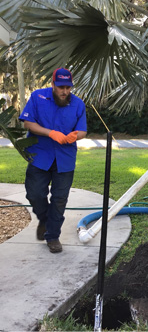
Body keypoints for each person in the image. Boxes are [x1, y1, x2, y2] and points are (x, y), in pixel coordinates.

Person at [19, 68, 87, 253]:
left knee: (59, 199)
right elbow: (27, 123)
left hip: (65, 159)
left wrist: (74, 136)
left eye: (68, 87)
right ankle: (45, 219)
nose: (64, 91)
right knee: (34, 194)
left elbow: (82, 130)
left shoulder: (78, 104)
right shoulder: (37, 97)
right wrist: (51, 133)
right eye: (60, 87)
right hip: (39, 155)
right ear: (52, 84)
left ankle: (53, 236)